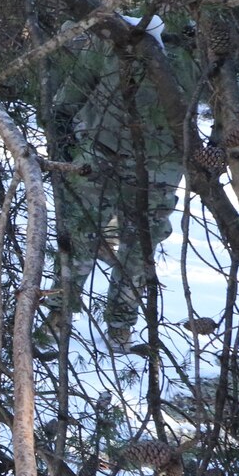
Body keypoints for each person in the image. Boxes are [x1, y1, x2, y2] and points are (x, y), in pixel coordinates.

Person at [49, 28, 197, 354]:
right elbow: (78, 83)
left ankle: (121, 324)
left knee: (139, 248)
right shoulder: (118, 36)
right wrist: (63, 129)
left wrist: (214, 143)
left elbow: (232, 95)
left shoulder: (192, 46)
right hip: (101, 151)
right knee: (77, 237)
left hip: (161, 164)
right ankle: (57, 316)